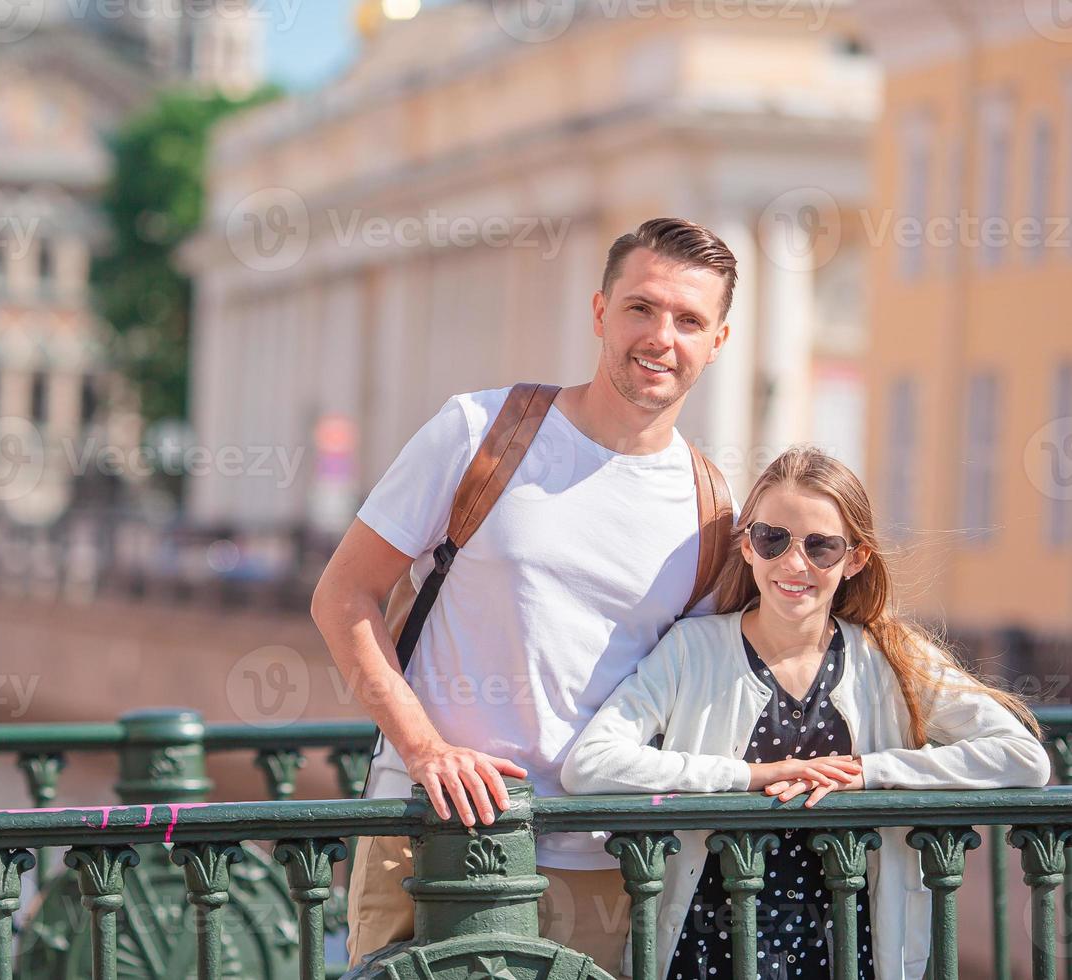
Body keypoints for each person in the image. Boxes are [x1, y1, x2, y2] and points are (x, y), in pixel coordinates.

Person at [311, 217, 740, 971]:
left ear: (718, 341)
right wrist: (426, 751)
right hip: (427, 832)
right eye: (641, 307)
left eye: (689, 320)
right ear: (601, 311)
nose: (660, 337)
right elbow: (343, 595)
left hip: (599, 859)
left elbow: (700, 692)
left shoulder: (710, 509)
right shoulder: (482, 428)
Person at [560, 446, 1050, 980]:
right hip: (704, 952)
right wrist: (747, 777)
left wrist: (871, 773)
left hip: (848, 950)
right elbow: (591, 764)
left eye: (821, 547)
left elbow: (1024, 759)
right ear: (747, 545)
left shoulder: (891, 655)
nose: (795, 564)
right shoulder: (689, 650)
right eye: (773, 539)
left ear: (855, 559)